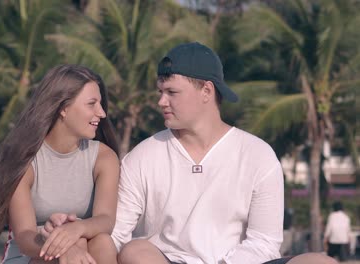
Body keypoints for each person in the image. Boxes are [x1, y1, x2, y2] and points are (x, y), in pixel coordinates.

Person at [110, 42, 337, 264]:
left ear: (206, 91)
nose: (161, 101)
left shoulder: (257, 154)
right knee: (135, 250)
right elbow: (117, 234)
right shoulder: (141, 157)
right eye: (160, 92)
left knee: (320, 261)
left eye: (171, 92)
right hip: (169, 260)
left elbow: (264, 242)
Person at [0, 64, 120, 264]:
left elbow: (105, 220)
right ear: (63, 108)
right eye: (92, 104)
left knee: (102, 242)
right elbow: (25, 237)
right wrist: (63, 248)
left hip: (84, 247)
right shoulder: (24, 159)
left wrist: (75, 231)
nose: (102, 113)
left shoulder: (104, 158)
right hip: (31, 254)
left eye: (101, 103)